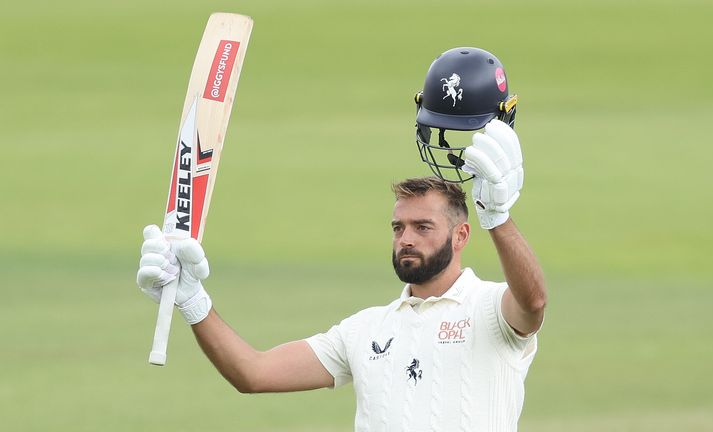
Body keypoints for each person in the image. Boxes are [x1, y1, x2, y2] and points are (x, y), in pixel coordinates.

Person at [137, 47, 546, 432]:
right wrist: (193, 300)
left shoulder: (490, 309)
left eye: (423, 227)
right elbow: (253, 373)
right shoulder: (364, 330)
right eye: (398, 227)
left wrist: (498, 219)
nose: (406, 238)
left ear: (460, 236)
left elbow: (533, 303)